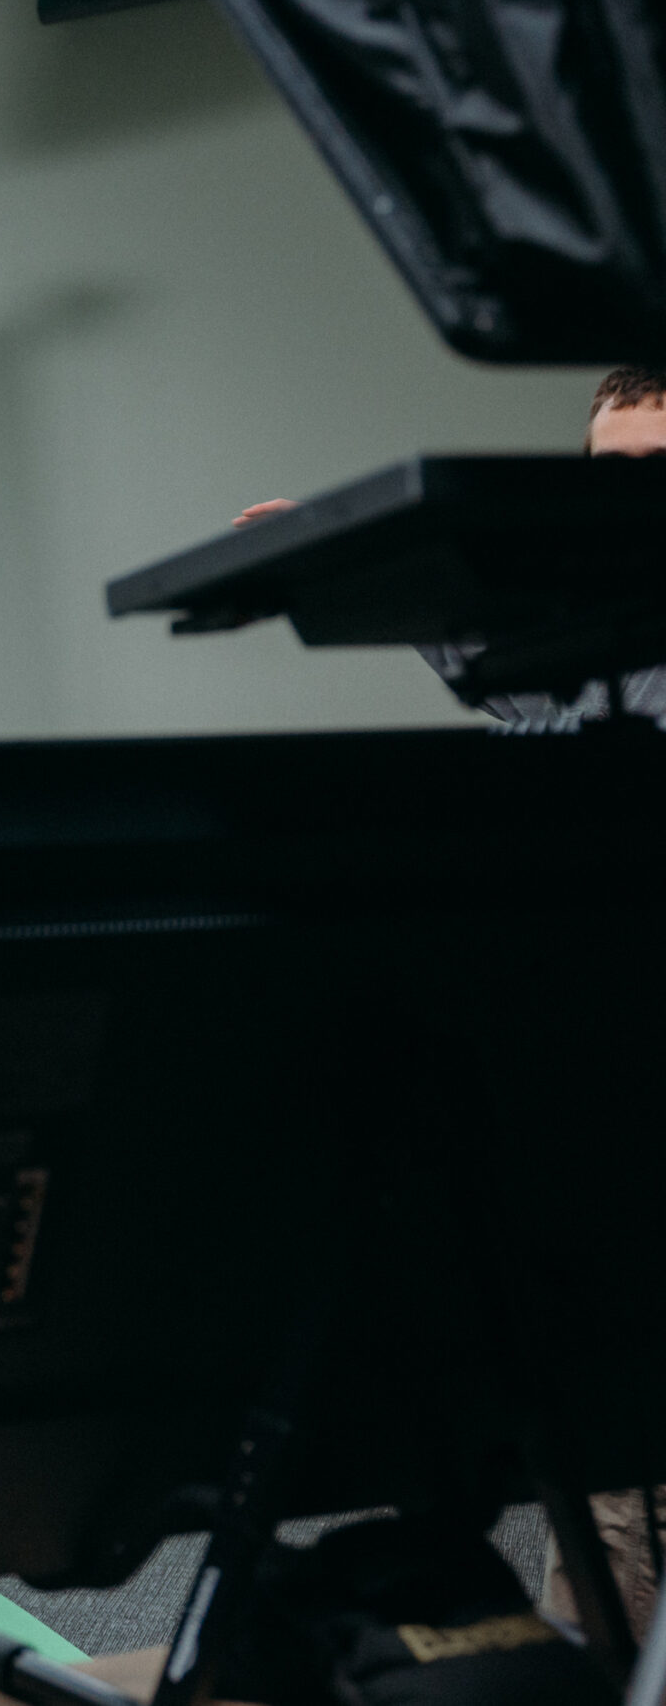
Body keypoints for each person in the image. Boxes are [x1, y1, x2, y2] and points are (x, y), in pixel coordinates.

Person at [233, 368, 666, 1632]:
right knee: (613, 1480)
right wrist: (329, 560)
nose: (628, 500)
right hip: (599, 1082)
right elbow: (470, 649)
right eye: (609, 473)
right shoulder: (569, 641)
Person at [234, 364, 666, 729]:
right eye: (611, 468)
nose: (633, 487)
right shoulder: (583, 620)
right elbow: (486, 648)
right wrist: (339, 555)